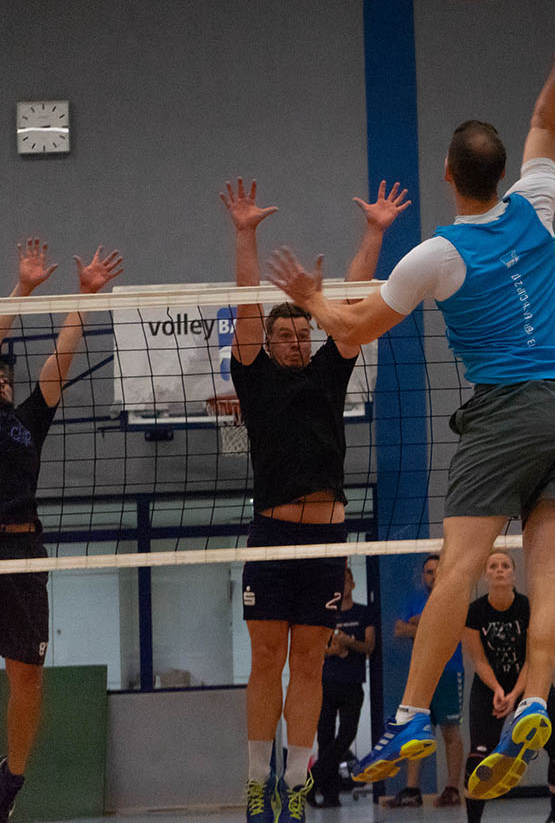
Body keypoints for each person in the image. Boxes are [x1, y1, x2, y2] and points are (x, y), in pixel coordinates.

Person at [265, 21, 555, 800]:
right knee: (548, 573)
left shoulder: (438, 255)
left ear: (448, 175)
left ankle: (412, 715)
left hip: (506, 417)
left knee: (458, 566)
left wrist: (311, 297)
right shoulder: (535, 206)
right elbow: (550, 124)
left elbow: (353, 331)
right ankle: (534, 703)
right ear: (503, 173)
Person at [222, 178, 409, 823]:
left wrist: (374, 232)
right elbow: (248, 304)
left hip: (327, 540)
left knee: (308, 665)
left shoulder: (330, 371)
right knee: (265, 661)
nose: (298, 341)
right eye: (288, 335)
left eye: (304, 333)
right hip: (272, 538)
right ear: (270, 342)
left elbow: (353, 304)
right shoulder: (254, 375)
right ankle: (257, 785)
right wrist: (246, 234)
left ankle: (295, 787)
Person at [0, 239, 122, 823]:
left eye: (7, 378)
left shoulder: (29, 421)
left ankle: (11, 778)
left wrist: (84, 299)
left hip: (23, 546)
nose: (1, 381)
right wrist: (24, 289)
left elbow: (57, 368)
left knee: (28, 675)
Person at [463, 550, 555, 823]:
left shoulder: (528, 607)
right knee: (478, 759)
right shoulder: (475, 611)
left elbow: (533, 658)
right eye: (493, 566)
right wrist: (498, 690)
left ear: (514, 574)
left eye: (505, 565)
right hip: (489, 687)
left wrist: (515, 694)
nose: (499, 570)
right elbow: (479, 660)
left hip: (532, 682)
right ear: (485, 575)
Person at [384, 554, 464, 808]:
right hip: (421, 673)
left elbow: (448, 631)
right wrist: (426, 627)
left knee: (450, 730)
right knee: (416, 731)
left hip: (449, 672)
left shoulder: (453, 599)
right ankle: (412, 790)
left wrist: (419, 625)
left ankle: (452, 789)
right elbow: (399, 630)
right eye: (429, 572)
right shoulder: (414, 601)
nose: (433, 576)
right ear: (423, 576)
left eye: (437, 571)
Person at [310, 563, 376, 808]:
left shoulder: (364, 612)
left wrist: (349, 643)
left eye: (346, 580)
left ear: (353, 584)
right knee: (325, 738)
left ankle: (312, 778)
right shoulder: (326, 614)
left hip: (352, 683)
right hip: (327, 683)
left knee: (346, 735)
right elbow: (314, 649)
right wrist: (334, 651)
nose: (343, 584)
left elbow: (369, 646)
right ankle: (330, 794)